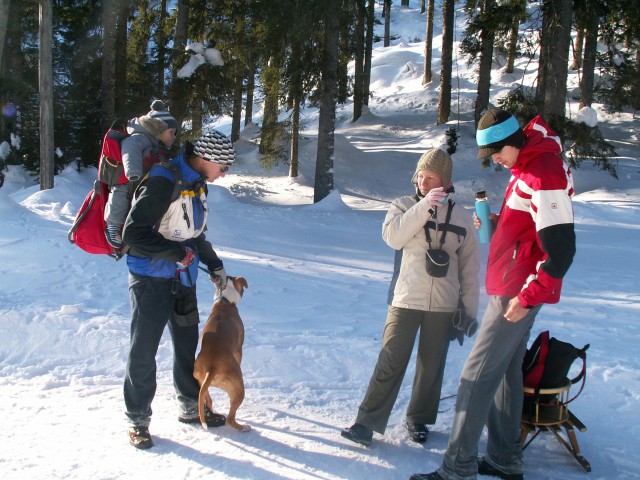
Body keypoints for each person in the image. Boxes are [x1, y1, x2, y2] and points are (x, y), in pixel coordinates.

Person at [410, 109, 576, 480]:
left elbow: (561, 250)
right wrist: (500, 224)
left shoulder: (542, 172)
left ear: (510, 141)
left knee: (475, 375)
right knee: (505, 374)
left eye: (496, 153)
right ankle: (505, 457)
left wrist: (527, 297)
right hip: (512, 285)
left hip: (516, 294)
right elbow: (533, 229)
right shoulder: (529, 166)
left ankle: (458, 466)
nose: (495, 161)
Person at [341, 148, 480, 447]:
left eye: (432, 178)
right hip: (405, 299)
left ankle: (418, 419)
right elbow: (393, 237)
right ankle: (366, 423)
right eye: (421, 176)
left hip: (443, 304)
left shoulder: (461, 216)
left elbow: (470, 269)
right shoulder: (403, 205)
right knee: (390, 359)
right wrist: (424, 208)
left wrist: (468, 311)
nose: (424, 183)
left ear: (446, 181)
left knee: (431, 367)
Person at [122, 130, 235, 449]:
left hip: (183, 282)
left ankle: (190, 407)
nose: (223, 173)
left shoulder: (197, 184)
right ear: (207, 158)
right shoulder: (162, 180)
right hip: (150, 280)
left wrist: (215, 266)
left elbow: (194, 233)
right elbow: (134, 234)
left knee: (187, 346)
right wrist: (177, 254)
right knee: (144, 350)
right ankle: (138, 419)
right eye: (223, 166)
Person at [104, 100, 178, 248]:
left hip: (142, 181)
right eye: (171, 132)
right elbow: (129, 150)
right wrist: (133, 171)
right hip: (126, 179)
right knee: (120, 195)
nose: (174, 137)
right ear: (159, 129)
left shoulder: (157, 145)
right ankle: (112, 226)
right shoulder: (140, 137)